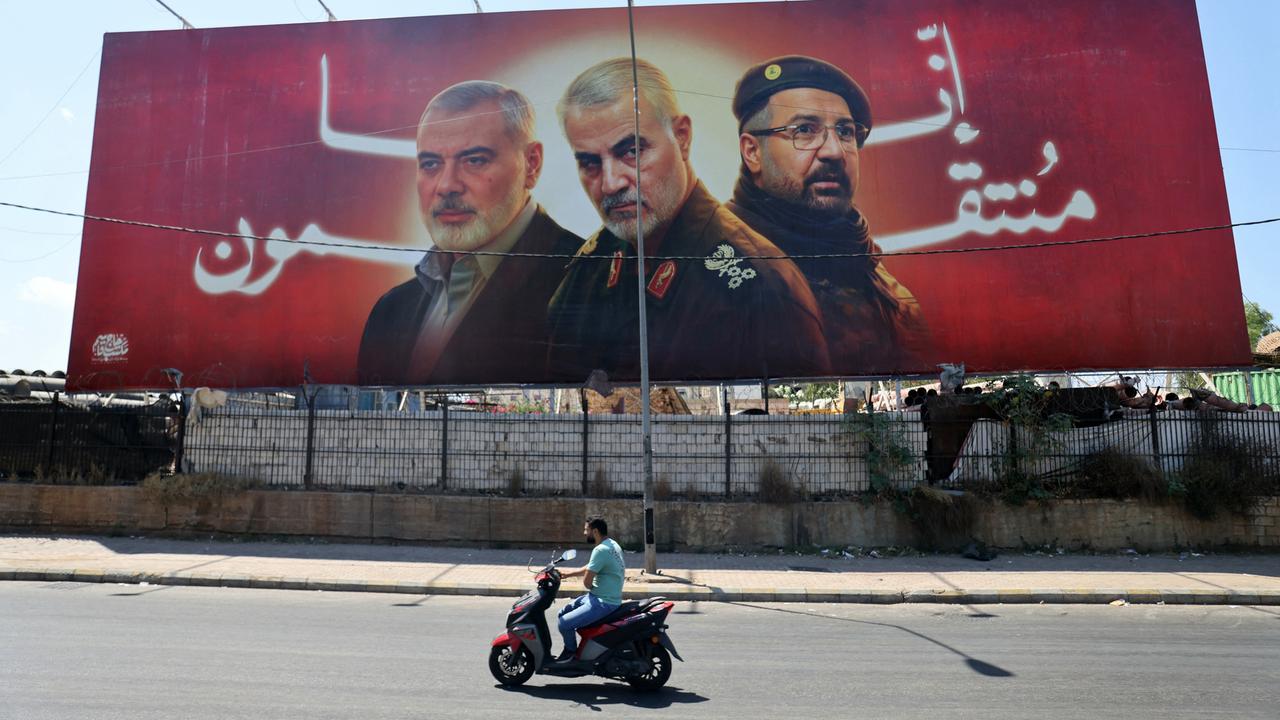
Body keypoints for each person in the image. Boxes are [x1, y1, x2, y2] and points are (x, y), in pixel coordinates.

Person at [545, 58, 831, 382]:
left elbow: (794, 421)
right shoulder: (585, 272)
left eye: (632, 151)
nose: (611, 183)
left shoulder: (762, 287)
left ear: (682, 137)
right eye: (590, 163)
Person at [357, 81, 583, 385]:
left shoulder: (586, 282)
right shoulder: (391, 311)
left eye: (474, 160)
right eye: (431, 163)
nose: (447, 185)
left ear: (532, 164)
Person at [727, 55, 930, 373]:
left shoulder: (885, 289)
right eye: (805, 130)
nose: (835, 151)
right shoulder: (716, 264)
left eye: (846, 132)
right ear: (752, 151)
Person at [554, 516, 626, 662]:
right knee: (563, 612)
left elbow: (587, 582)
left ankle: (571, 654)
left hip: (604, 602)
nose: (584, 533)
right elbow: (592, 567)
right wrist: (568, 574)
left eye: (586, 530)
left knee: (564, 623)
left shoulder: (600, 550)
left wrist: (591, 585)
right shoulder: (612, 544)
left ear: (595, 531)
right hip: (601, 597)